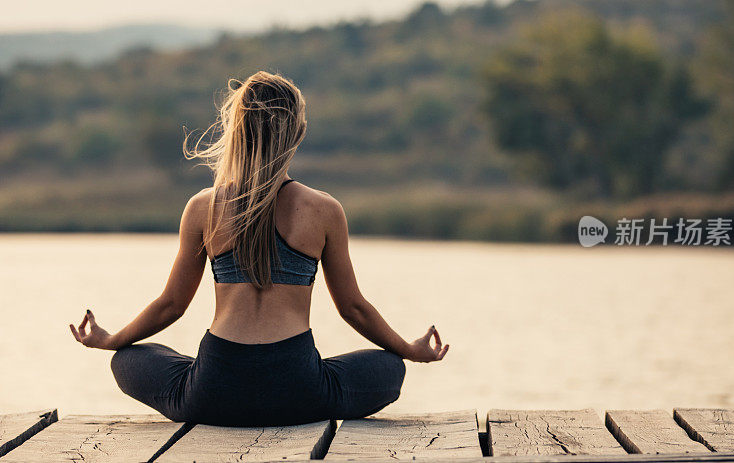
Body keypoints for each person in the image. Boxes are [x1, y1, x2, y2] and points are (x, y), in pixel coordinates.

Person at [68, 71, 449, 427]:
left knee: (128, 359)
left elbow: (172, 305)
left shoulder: (204, 207)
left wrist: (111, 339)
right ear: (297, 132)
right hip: (299, 389)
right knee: (390, 368)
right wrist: (409, 350)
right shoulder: (324, 210)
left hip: (213, 389)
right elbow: (354, 309)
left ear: (236, 131)